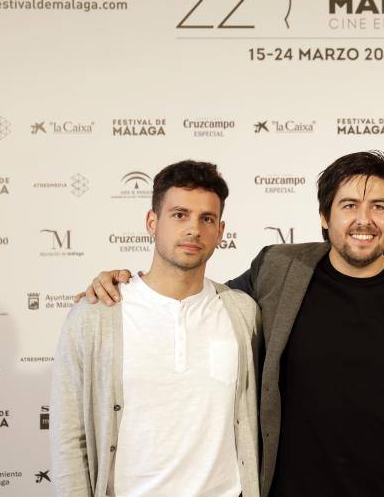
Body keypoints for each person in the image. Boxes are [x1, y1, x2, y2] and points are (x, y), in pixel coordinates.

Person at [79, 151, 384, 497]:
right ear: (324, 217)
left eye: (378, 207)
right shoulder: (278, 269)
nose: (363, 220)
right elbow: (197, 298)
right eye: (349, 206)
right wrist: (127, 284)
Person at [51, 161, 260, 497]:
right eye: (179, 214)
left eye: (206, 219)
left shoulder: (242, 313)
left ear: (220, 231)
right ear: (152, 222)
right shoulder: (97, 315)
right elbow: (68, 439)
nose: (194, 229)